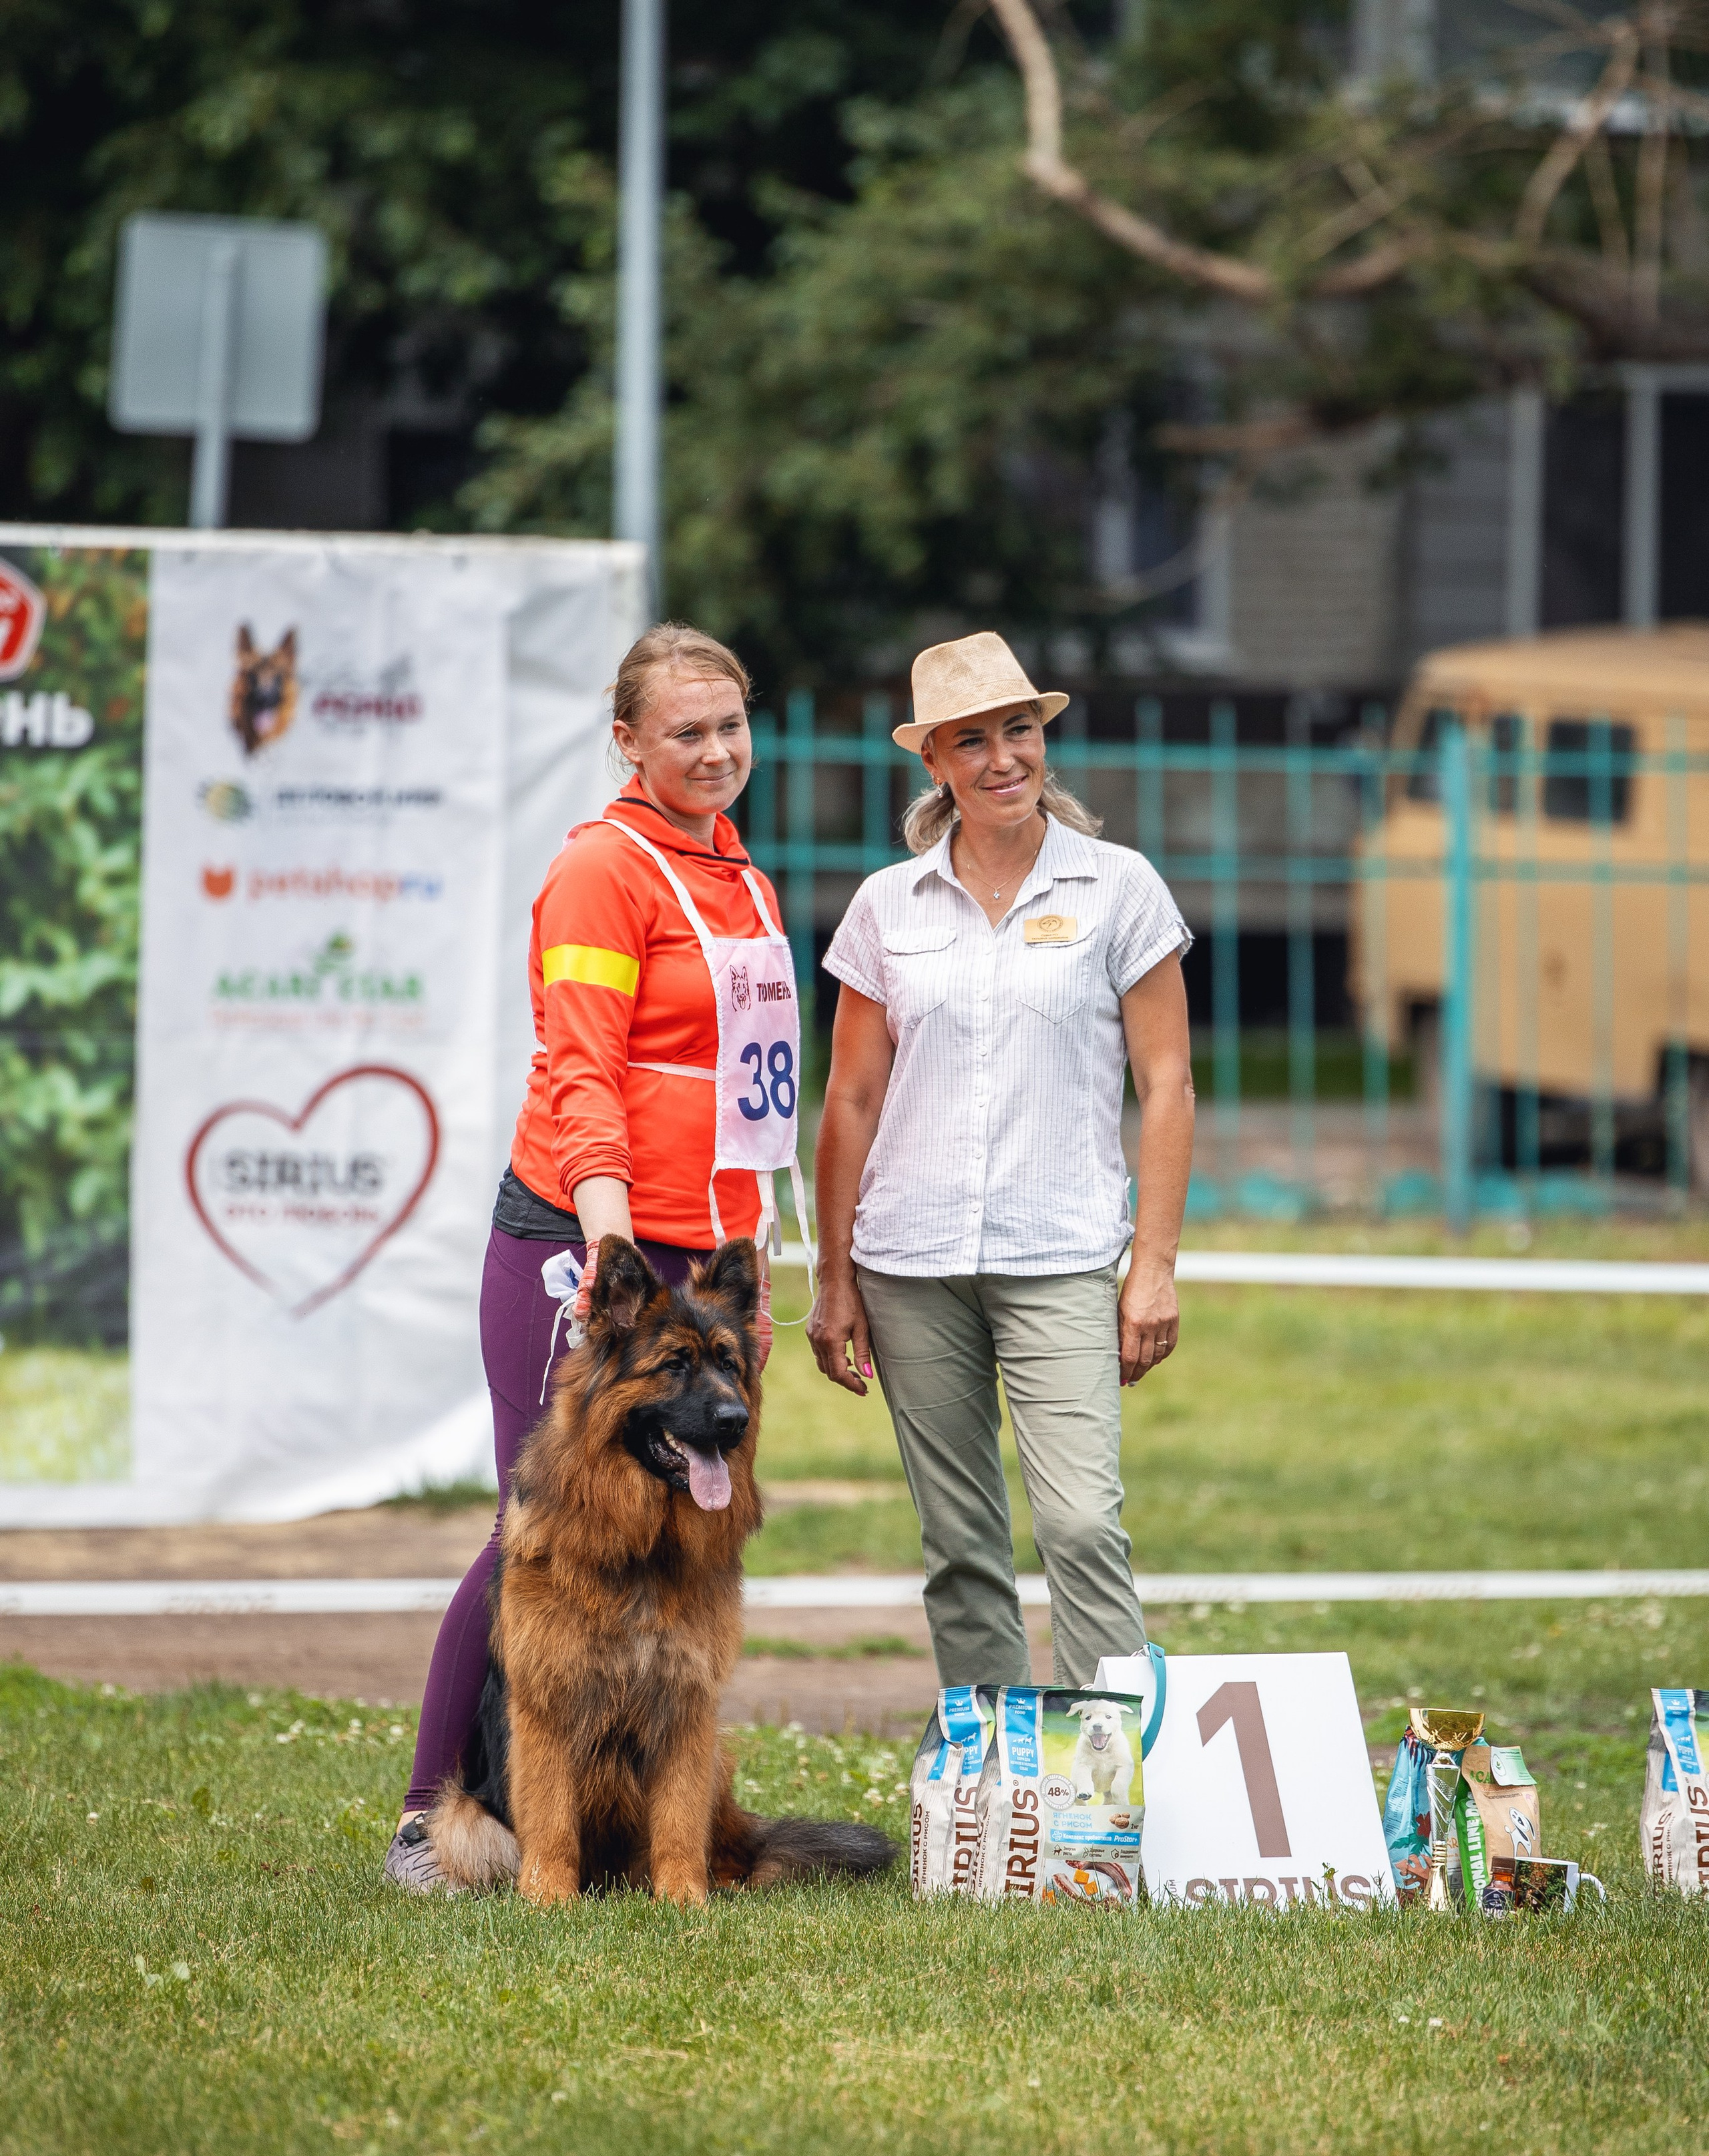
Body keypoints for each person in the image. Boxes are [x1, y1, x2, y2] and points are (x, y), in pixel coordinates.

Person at [387, 621, 804, 1890]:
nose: (718, 750)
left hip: (709, 1258)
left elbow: (755, 1094)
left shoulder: (741, 873)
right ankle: (426, 1816)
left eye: (731, 726)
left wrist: (756, 1266)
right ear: (627, 742)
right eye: (688, 732)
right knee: (539, 1527)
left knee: (690, 1528)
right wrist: (609, 1229)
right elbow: (582, 1068)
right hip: (590, 1241)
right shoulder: (599, 872)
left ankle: (643, 1821)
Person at [806, 630, 1194, 1691]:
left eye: (1017, 731)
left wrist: (1152, 1265)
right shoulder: (887, 905)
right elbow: (849, 1099)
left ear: (1042, 740)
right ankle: (989, 1772)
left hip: (1060, 1252)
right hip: (910, 1261)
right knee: (961, 1547)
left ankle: (1106, 1792)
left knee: (1079, 1523)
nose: (1001, 759)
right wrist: (833, 1279)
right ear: (933, 761)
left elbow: (1167, 1087)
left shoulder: (1120, 889)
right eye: (970, 741)